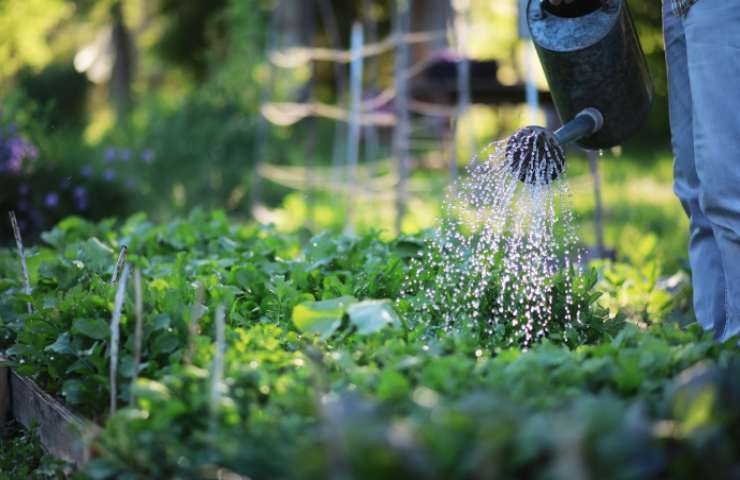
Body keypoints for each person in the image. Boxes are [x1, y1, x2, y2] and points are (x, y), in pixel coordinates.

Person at [544, 0, 740, 342]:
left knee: (727, 186)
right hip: (676, 7)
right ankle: (714, 347)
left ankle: (735, 347)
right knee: (694, 190)